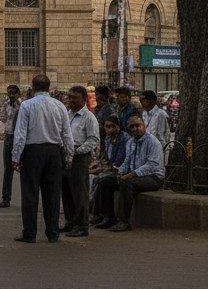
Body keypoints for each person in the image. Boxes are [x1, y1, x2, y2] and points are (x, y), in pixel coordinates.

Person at [11, 73, 74, 243]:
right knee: (52, 194)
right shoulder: (60, 106)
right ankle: (52, 231)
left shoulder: (27, 105)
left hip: (33, 152)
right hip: (54, 151)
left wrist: (15, 157)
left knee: (30, 193)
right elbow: (67, 134)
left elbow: (20, 134)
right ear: (49, 88)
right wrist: (69, 156)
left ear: (33, 88)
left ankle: (29, 232)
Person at [95, 116, 165, 231]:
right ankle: (108, 217)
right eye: (132, 127)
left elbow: (152, 165)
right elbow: (127, 161)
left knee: (127, 183)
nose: (135, 129)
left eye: (138, 126)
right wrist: (120, 172)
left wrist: (131, 174)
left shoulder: (153, 142)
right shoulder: (131, 142)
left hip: (154, 177)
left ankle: (124, 221)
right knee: (105, 181)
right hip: (135, 176)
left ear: (144, 126)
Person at [62, 85, 100, 236]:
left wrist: (78, 151)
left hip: (79, 157)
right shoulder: (67, 114)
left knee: (79, 192)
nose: (70, 100)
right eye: (69, 97)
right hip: (66, 156)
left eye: (74, 98)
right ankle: (70, 221)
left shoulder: (88, 117)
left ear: (84, 100)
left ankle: (82, 225)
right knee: (66, 191)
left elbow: (93, 139)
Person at [89, 116, 129, 226]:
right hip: (110, 168)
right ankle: (97, 213)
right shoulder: (107, 139)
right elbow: (106, 158)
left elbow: (119, 162)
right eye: (107, 127)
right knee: (94, 179)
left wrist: (101, 169)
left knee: (103, 180)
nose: (109, 129)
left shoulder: (124, 140)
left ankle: (107, 215)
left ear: (118, 127)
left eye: (112, 126)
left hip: (121, 171)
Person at [0, 84, 22, 208]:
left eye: (13, 93)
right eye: (9, 93)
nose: (11, 95)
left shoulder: (22, 106)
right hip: (8, 136)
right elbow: (4, 119)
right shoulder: (6, 105)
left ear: (18, 94)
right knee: (8, 169)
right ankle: (6, 198)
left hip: (19, 138)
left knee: (25, 169)